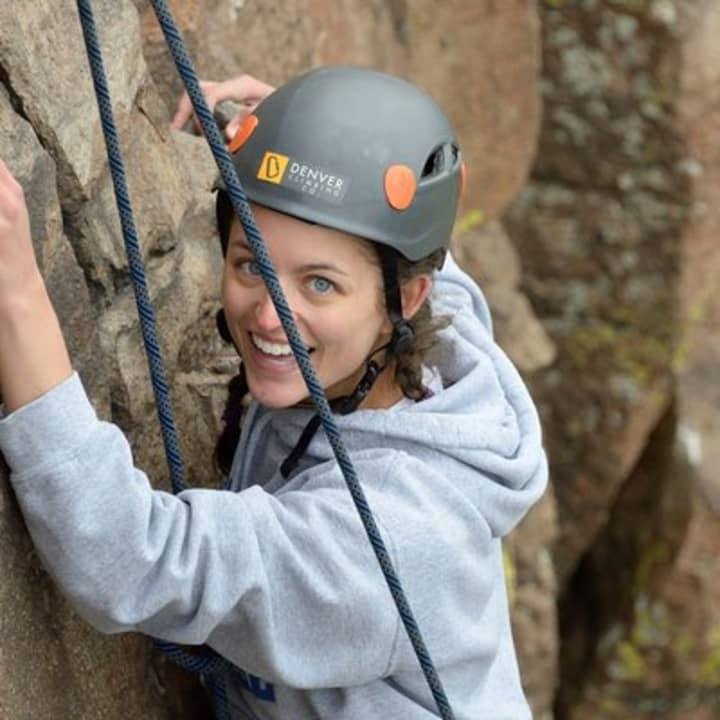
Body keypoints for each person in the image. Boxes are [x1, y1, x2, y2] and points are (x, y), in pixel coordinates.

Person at [0, 66, 547, 719]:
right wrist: (311, 140)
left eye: (319, 284)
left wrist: (18, 298)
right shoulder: (435, 349)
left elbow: (130, 558)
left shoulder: (386, 543)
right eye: (251, 263)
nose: (268, 316)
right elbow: (422, 253)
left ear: (404, 299)